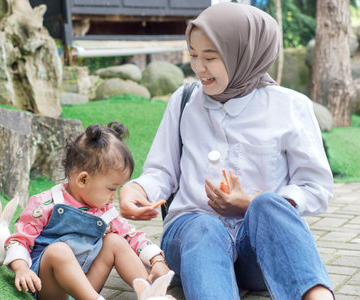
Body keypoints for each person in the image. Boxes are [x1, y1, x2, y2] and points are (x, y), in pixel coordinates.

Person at [119, 3, 335, 300]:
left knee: (268, 205)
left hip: (257, 253)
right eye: (193, 55)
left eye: (210, 57)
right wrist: (137, 188)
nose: (198, 67)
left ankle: (318, 296)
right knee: (203, 225)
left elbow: (315, 187)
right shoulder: (184, 101)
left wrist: (251, 203)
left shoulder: (291, 107)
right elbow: (161, 170)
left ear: (244, 55)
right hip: (191, 241)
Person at [3, 121, 170, 300]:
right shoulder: (46, 204)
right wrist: (21, 268)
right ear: (83, 180)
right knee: (58, 251)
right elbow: (19, 240)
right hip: (50, 288)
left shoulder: (104, 212)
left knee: (115, 241)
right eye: (111, 188)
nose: (114, 196)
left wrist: (156, 260)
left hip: (86, 286)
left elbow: (131, 235)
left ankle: (151, 294)